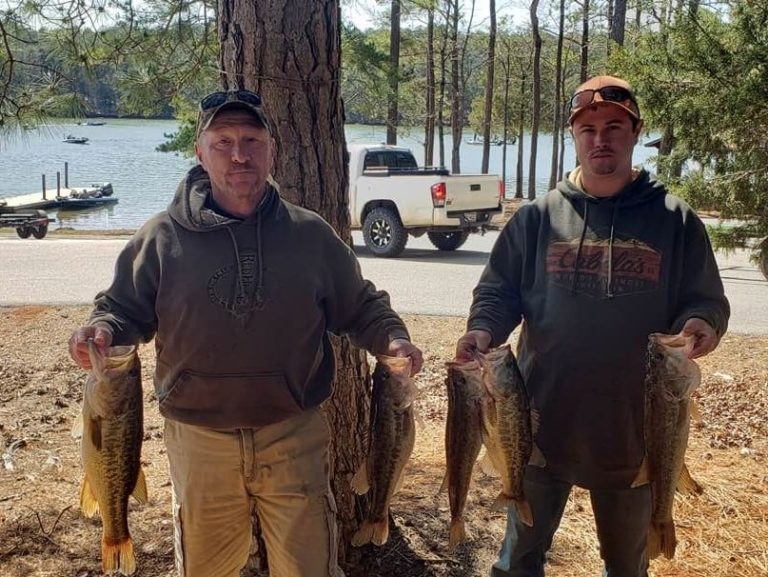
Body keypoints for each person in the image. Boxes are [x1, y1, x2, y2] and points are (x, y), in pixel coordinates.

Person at [68, 89, 423, 577]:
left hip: (292, 433)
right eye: (224, 141)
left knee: (308, 569)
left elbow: (362, 307)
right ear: (200, 152)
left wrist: (392, 338)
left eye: (252, 140)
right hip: (199, 440)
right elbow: (121, 309)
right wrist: (102, 330)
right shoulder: (160, 239)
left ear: (272, 149)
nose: (239, 154)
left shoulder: (311, 235)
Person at [455, 75, 729, 577]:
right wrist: (483, 331)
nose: (600, 139)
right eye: (588, 129)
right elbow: (498, 294)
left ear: (635, 132)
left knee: (627, 565)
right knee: (518, 561)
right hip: (537, 423)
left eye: (614, 127)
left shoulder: (676, 220)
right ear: (574, 137)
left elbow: (707, 301)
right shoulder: (537, 218)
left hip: (635, 429)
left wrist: (700, 324)